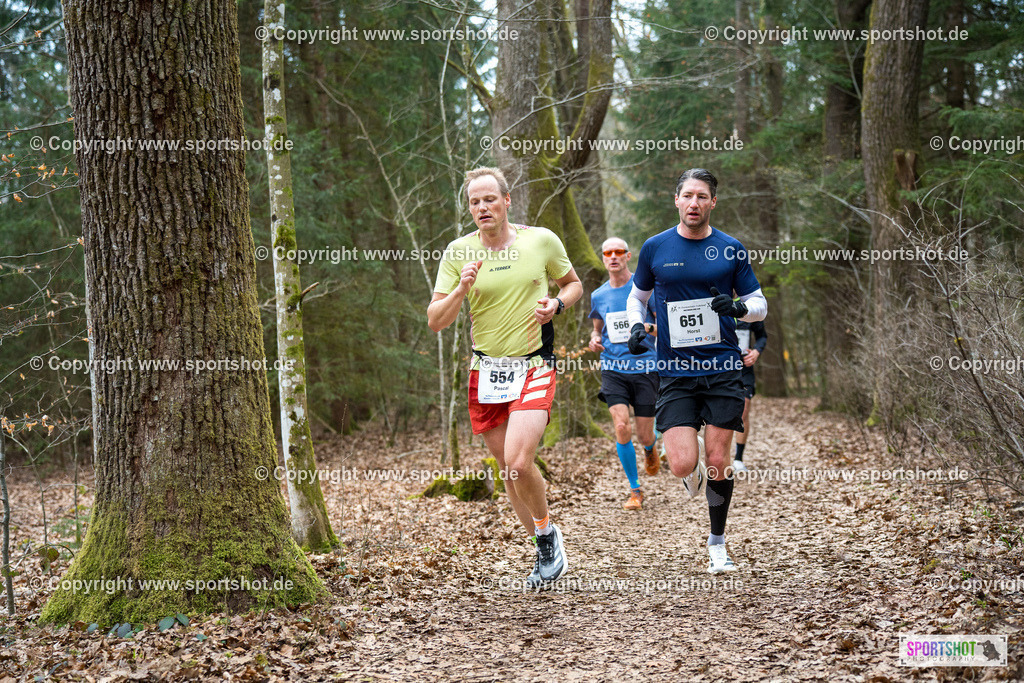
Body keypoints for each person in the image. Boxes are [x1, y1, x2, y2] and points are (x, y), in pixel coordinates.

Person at [428, 167, 582, 588]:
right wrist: (461, 290)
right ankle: (542, 542)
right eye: (474, 202)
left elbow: (573, 284)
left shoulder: (541, 240)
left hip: (534, 363)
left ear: (507, 200)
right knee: (508, 471)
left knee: (518, 461)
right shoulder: (458, 251)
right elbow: (435, 321)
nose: (482, 208)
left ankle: (547, 533)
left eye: (489, 199)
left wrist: (556, 304)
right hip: (487, 371)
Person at [625, 168, 767, 574]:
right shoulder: (655, 248)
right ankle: (693, 476)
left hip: (723, 368)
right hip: (675, 370)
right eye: (688, 195)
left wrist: (738, 307)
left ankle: (717, 543)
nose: (694, 203)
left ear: (713, 203)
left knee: (719, 458)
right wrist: (637, 326)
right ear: (676, 200)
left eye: (702, 196)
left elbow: (759, 304)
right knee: (683, 463)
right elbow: (637, 300)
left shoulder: (730, 248)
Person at [588, 237, 660, 510]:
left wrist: (644, 328)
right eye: (608, 252)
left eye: (619, 252)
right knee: (620, 426)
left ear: (628, 256)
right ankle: (635, 490)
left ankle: (650, 449)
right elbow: (597, 328)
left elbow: (662, 326)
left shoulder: (643, 288)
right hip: (613, 368)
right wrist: (594, 338)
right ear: (603, 258)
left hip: (644, 366)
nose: (613, 256)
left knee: (644, 435)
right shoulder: (598, 295)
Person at [732, 318, 766, 473]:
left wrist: (756, 352)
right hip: (722, 366)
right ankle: (720, 456)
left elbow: (762, 335)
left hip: (744, 367)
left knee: (744, 410)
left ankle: (738, 459)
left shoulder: (748, 306)